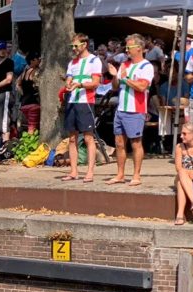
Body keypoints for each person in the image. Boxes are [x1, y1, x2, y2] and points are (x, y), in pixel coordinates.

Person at [107, 35, 153, 187]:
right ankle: (120, 174)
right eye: (125, 47)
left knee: (135, 143)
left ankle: (136, 175)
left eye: (129, 48)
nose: (126, 50)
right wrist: (115, 76)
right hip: (121, 108)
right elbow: (115, 87)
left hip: (135, 109)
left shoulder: (146, 66)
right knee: (119, 143)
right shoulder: (124, 64)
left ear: (139, 48)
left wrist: (125, 79)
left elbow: (142, 87)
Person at [62, 33, 102, 183]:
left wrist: (80, 85)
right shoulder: (72, 62)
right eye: (72, 46)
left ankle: (90, 172)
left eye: (76, 45)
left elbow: (95, 82)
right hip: (72, 101)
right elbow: (69, 79)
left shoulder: (94, 60)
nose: (74, 48)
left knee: (88, 137)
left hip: (85, 101)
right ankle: (73, 171)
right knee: (72, 138)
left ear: (84, 45)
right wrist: (68, 84)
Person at [17, 52, 41, 134]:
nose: (40, 60)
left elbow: (18, 84)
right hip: (33, 103)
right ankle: (30, 140)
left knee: (31, 125)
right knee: (32, 127)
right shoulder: (35, 71)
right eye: (37, 59)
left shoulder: (24, 72)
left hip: (24, 104)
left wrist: (23, 93)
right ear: (32, 61)